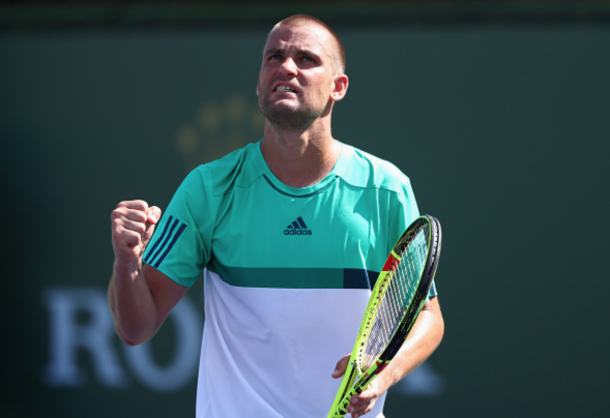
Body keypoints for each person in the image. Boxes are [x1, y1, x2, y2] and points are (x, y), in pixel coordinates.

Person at [109, 14, 444, 418]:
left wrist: (384, 372)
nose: (286, 66)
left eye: (306, 59)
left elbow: (428, 316)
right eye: (274, 57)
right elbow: (135, 328)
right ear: (258, 82)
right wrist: (126, 262)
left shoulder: (386, 189)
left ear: (338, 87)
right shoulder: (207, 188)